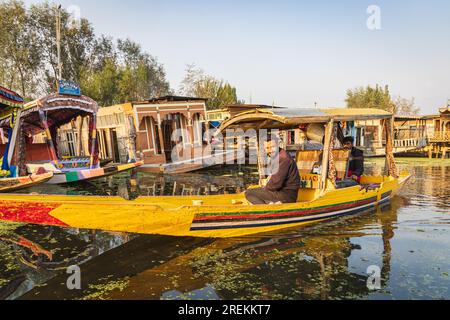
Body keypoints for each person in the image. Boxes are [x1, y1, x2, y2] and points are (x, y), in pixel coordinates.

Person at [245, 137, 301, 205]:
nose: (270, 150)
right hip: (282, 193)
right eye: (267, 148)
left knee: (249, 193)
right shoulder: (278, 156)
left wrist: (264, 188)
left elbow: (275, 184)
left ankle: (265, 210)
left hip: (286, 196)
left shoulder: (282, 158)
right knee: (256, 191)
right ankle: (268, 204)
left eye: (272, 147)